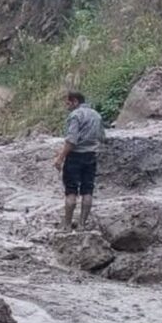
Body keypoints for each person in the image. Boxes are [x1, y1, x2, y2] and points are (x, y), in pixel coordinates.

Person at [53, 91, 105, 231]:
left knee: (71, 192)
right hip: (91, 156)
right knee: (87, 191)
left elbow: (71, 140)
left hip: (75, 157)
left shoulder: (75, 115)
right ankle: (82, 224)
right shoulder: (96, 115)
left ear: (75, 101)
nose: (67, 106)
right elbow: (101, 137)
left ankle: (67, 225)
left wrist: (60, 158)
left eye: (68, 103)